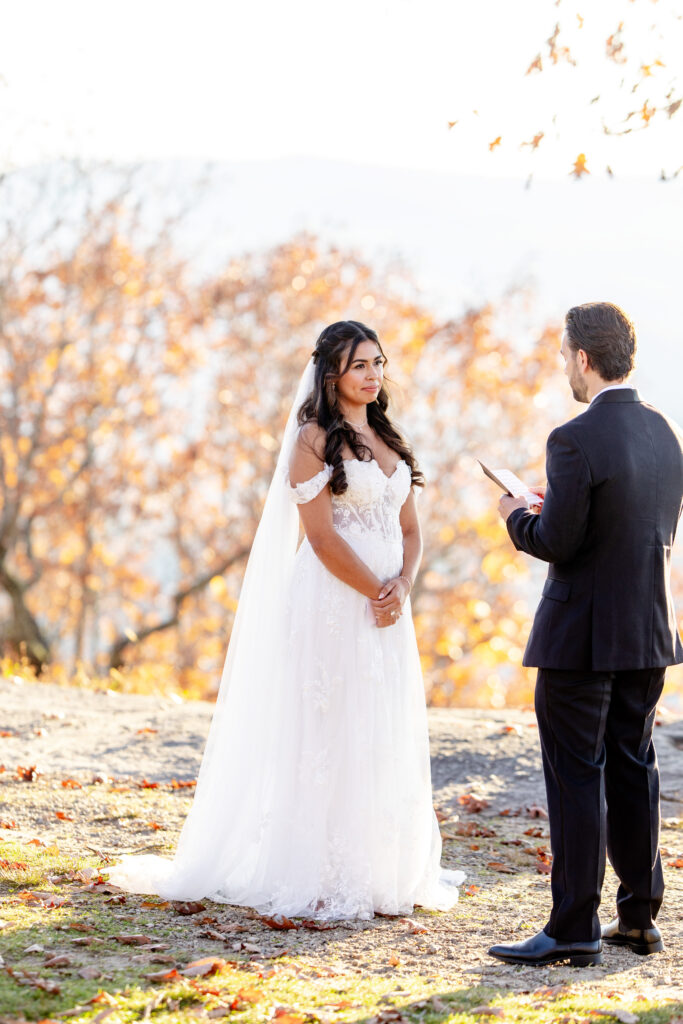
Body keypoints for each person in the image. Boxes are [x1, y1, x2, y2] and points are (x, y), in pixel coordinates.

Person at [107, 320, 463, 920]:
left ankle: (379, 867)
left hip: (387, 608)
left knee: (378, 722)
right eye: (360, 366)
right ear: (332, 375)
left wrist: (402, 586)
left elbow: (409, 530)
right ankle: (319, 870)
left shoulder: (389, 438)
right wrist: (378, 590)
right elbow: (321, 538)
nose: (374, 375)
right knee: (329, 728)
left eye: (378, 363)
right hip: (332, 603)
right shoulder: (312, 440)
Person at [489, 301, 683, 967]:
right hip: (648, 632)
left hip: (580, 638)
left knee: (576, 776)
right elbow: (632, 530)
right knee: (634, 768)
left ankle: (573, 923)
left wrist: (518, 515)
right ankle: (637, 918)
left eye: (563, 355)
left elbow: (559, 541)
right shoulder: (664, 432)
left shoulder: (571, 438)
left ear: (581, 358)